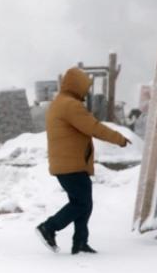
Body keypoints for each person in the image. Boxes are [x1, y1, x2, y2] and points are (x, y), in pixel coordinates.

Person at [36, 66, 130, 255]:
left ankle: (80, 242)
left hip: (69, 163)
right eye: (85, 86)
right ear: (76, 85)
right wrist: (118, 138)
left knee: (83, 203)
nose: (87, 91)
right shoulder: (70, 105)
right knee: (82, 204)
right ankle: (49, 227)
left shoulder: (60, 102)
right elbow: (93, 127)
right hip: (71, 165)